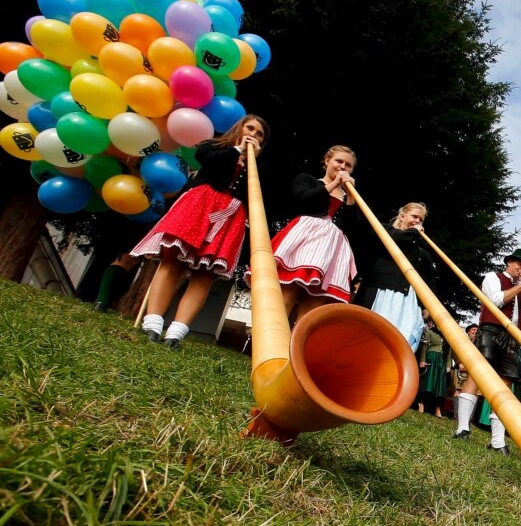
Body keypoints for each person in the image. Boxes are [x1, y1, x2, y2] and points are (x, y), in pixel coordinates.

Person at [131, 114, 269, 349]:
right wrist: (237, 150)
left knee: (205, 275)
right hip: (200, 204)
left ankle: (176, 333)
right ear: (240, 127)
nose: (253, 135)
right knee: (172, 261)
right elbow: (205, 159)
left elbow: (256, 197)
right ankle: (152, 324)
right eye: (250, 128)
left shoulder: (257, 167)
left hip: (230, 215)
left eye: (259, 134)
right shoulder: (214, 146)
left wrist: (251, 162)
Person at [253, 145, 357, 324]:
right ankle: (270, 337)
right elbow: (304, 200)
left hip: (332, 249)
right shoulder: (307, 180)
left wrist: (351, 196)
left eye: (348, 165)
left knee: (312, 310)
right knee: (286, 295)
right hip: (305, 239)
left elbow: (353, 227)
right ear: (327, 161)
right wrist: (333, 184)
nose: (343, 167)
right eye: (339, 161)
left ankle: (297, 342)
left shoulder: (349, 195)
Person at [451, 248, 521, 456]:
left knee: (505, 384)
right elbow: (496, 301)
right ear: (509, 262)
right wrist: (520, 286)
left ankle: (497, 441)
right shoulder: (493, 277)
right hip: (491, 331)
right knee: (477, 376)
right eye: (519, 264)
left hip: (512, 337)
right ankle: (462, 428)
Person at [352, 202, 436, 353]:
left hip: (407, 300)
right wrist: (414, 232)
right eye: (414, 216)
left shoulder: (421, 252)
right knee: (369, 337)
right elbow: (395, 240)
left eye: (421, 219)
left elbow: (428, 281)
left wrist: (429, 306)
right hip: (381, 293)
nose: (417, 221)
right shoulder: (384, 230)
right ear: (402, 216)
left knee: (401, 343)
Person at [416, 309, 451, 418]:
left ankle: (437, 410)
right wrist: (422, 360)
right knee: (428, 383)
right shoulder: (430, 332)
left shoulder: (447, 336)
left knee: (439, 386)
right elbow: (424, 347)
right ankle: (421, 405)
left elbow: (449, 352)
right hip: (431, 359)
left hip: (441, 362)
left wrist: (448, 365)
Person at [450, 323, 478, 420]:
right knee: (458, 390)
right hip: (462, 369)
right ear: (468, 332)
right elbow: (454, 352)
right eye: (473, 330)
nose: (475, 331)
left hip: (474, 370)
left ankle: (468, 418)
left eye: (477, 330)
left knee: (475, 393)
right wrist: (459, 363)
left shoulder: (479, 343)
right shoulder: (462, 340)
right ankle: (456, 415)